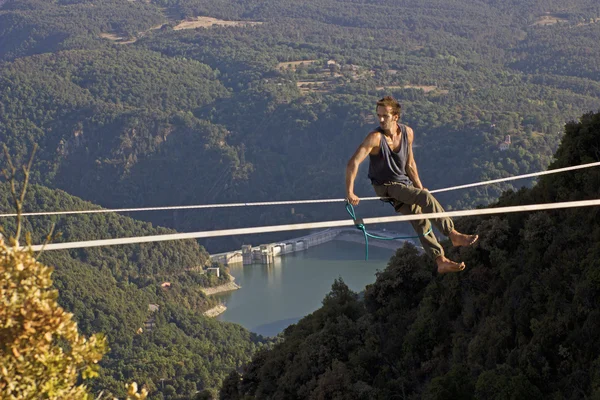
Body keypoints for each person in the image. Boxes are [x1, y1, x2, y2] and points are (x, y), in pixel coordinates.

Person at [345, 96, 478, 274]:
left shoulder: (407, 133)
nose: (381, 119)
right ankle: (453, 234)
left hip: (403, 183)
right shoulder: (375, 138)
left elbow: (410, 165)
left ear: (396, 117)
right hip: (385, 186)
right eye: (379, 115)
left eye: (385, 115)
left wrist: (419, 186)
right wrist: (350, 192)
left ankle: (440, 260)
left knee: (420, 219)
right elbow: (353, 162)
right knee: (425, 198)